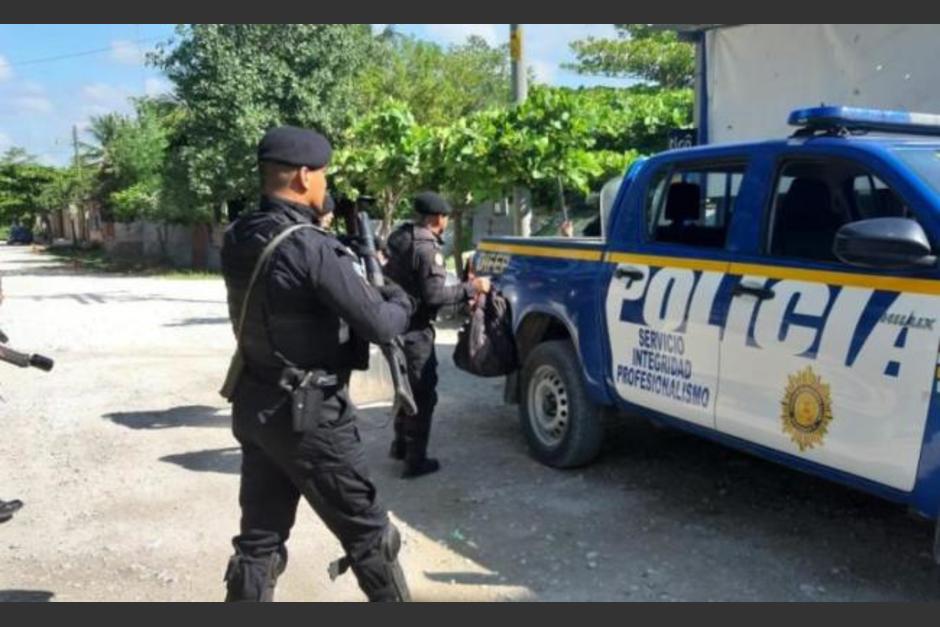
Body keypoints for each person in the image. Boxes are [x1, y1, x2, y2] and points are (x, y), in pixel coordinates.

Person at [220, 126, 415, 602]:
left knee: (260, 541)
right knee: (372, 538)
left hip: (256, 401)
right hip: (310, 418)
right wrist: (399, 297)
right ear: (305, 177)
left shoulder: (238, 234)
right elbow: (382, 325)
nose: (326, 187)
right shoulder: (311, 246)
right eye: (324, 176)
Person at [383, 191, 491, 478]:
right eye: (445, 217)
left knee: (404, 387)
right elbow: (434, 296)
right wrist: (474, 287)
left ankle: (400, 446)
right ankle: (415, 461)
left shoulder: (400, 236)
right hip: (415, 330)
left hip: (395, 324)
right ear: (437, 218)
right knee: (422, 393)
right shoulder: (427, 248)